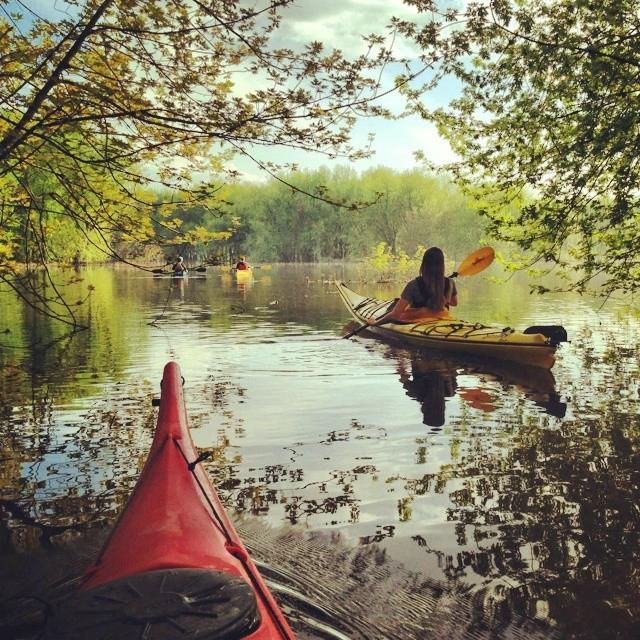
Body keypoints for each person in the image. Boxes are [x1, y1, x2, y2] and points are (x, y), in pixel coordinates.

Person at [367, 246, 457, 327]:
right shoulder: (450, 282)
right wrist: (441, 295)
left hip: (417, 321)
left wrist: (375, 323)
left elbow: (395, 315)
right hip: (443, 318)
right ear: (442, 265)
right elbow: (454, 303)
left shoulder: (413, 285)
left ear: (424, 265)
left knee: (395, 307)